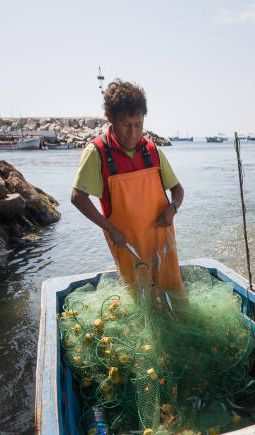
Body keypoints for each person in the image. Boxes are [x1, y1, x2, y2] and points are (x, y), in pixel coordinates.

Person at [71, 79, 185, 299]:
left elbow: (178, 190)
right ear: (111, 119)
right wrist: (111, 229)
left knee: (173, 294)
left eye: (139, 124)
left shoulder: (152, 150)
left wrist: (173, 208)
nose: (134, 132)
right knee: (139, 299)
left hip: (161, 241)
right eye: (126, 124)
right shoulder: (97, 153)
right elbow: (78, 198)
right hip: (126, 244)